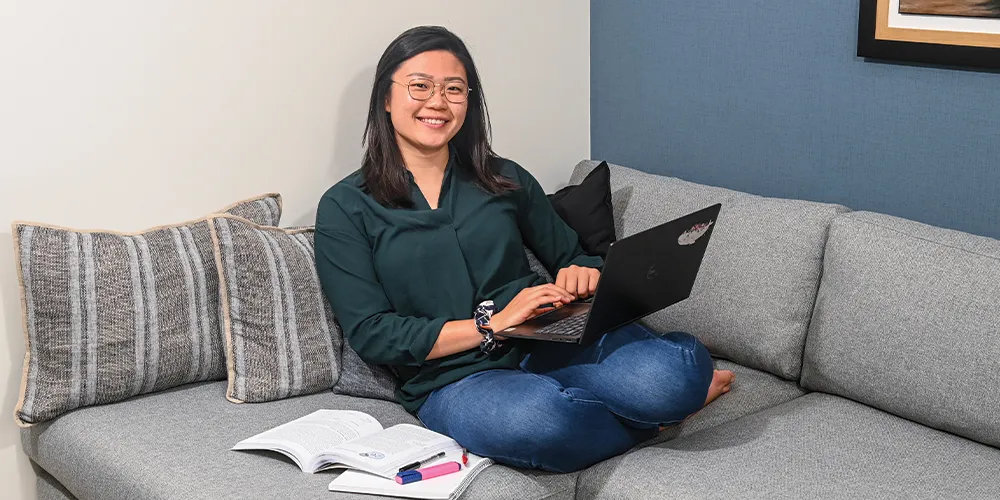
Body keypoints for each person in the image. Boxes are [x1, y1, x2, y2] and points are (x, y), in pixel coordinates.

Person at [315, 26, 735, 473]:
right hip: (455, 378)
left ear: (469, 101)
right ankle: (657, 418)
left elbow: (574, 255)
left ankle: (664, 400)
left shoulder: (503, 178)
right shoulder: (345, 206)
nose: (437, 101)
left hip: (551, 336)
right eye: (419, 86)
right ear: (385, 97)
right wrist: (493, 325)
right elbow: (374, 333)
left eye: (453, 89)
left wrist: (582, 272)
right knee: (541, 422)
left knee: (673, 376)